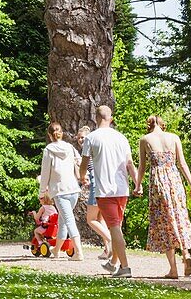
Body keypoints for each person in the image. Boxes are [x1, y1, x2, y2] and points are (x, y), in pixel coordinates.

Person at [134, 114, 191, 279]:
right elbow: (182, 164)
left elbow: (142, 167)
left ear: (149, 124)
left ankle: (173, 270)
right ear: (163, 124)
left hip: (158, 183)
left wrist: (137, 185)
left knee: (164, 221)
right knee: (179, 217)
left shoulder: (145, 140)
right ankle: (186, 254)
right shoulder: (174, 137)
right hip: (175, 180)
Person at [79, 104, 139, 279]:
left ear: (96, 118)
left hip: (104, 191)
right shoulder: (121, 137)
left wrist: (82, 176)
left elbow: (84, 163)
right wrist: (137, 183)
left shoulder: (91, 138)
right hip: (122, 189)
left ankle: (125, 267)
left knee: (114, 228)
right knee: (116, 227)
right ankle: (112, 263)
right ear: (111, 118)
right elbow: (130, 163)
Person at [39, 121, 84, 260]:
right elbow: (80, 160)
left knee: (68, 220)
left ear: (49, 135)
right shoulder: (69, 147)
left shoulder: (48, 150)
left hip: (60, 191)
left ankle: (79, 252)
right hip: (73, 189)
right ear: (61, 133)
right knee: (63, 220)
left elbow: (45, 173)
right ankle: (57, 250)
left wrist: (42, 192)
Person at [77, 125, 111, 261]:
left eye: (83, 137)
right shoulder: (89, 150)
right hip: (102, 184)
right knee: (101, 219)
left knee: (91, 219)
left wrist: (83, 175)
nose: (80, 140)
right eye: (79, 138)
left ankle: (113, 241)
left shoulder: (88, 151)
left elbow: (89, 169)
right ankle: (108, 249)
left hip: (96, 185)